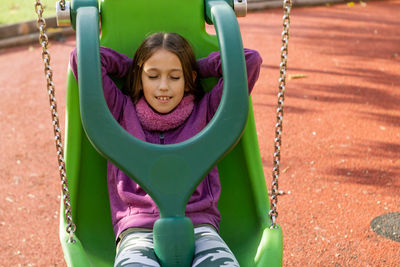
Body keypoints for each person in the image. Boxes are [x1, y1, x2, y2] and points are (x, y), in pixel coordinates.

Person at [70, 32, 262, 267]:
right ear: (140, 78)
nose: (163, 87)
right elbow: (83, 58)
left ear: (188, 79)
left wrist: (195, 66)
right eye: (152, 75)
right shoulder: (120, 111)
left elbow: (249, 61)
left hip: (199, 227)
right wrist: (134, 67)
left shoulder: (208, 112)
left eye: (174, 76)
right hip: (138, 230)